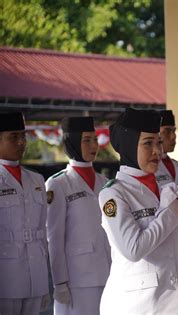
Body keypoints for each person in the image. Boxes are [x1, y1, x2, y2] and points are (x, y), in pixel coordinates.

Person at [98, 108, 178, 314]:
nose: (157, 150)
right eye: (148, 143)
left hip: (169, 301)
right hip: (137, 305)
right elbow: (133, 249)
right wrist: (172, 213)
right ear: (130, 146)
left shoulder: (162, 189)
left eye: (158, 142)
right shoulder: (113, 194)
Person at [45, 116, 111, 315]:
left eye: (94, 139)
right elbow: (54, 238)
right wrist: (60, 283)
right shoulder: (59, 184)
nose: (94, 145)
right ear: (72, 142)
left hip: (108, 272)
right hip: (77, 279)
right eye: (86, 140)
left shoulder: (105, 182)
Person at [0, 112, 50, 314]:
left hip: (35, 274)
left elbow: (43, 230)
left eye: (23, 136)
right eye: (13, 137)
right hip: (6, 277)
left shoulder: (36, 180)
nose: (21, 142)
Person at [155, 110, 178, 281]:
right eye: (167, 131)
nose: (173, 136)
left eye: (174, 131)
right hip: (159, 240)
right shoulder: (150, 168)